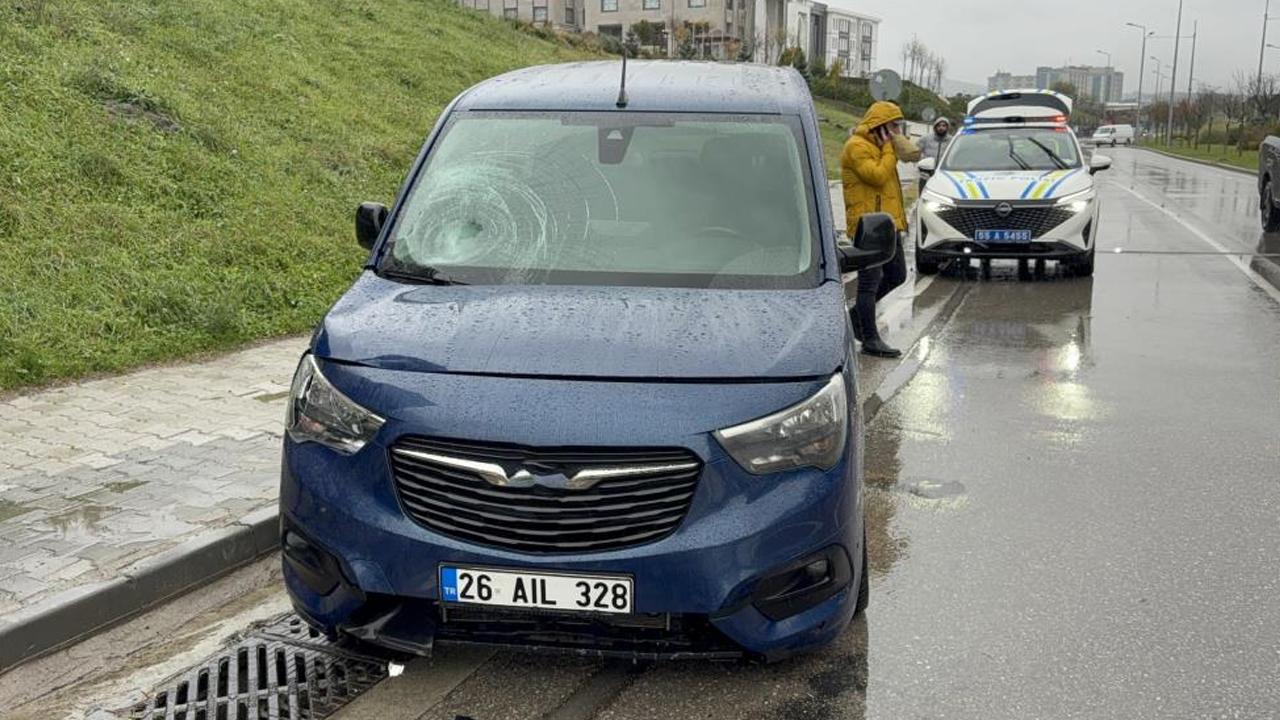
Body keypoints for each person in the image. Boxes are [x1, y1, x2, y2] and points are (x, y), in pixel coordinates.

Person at [841, 101, 910, 358]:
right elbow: (877, 176)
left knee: (897, 274)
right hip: (867, 226)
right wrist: (890, 150)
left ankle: (855, 318)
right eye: (893, 126)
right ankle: (869, 337)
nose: (896, 131)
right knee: (869, 284)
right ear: (879, 125)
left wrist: (900, 222)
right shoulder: (856, 147)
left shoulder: (881, 148)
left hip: (888, 224)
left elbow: (889, 191)